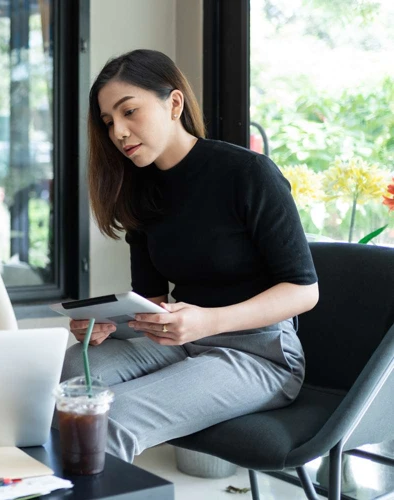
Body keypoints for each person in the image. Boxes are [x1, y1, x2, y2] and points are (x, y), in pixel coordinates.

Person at [61, 50, 319, 462]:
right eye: (109, 123)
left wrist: (208, 320)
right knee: (69, 374)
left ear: (174, 104)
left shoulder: (248, 174)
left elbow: (303, 291)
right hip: (180, 339)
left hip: (259, 354)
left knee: (113, 417)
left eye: (130, 112)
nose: (119, 133)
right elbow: (154, 301)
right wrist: (112, 323)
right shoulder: (140, 192)